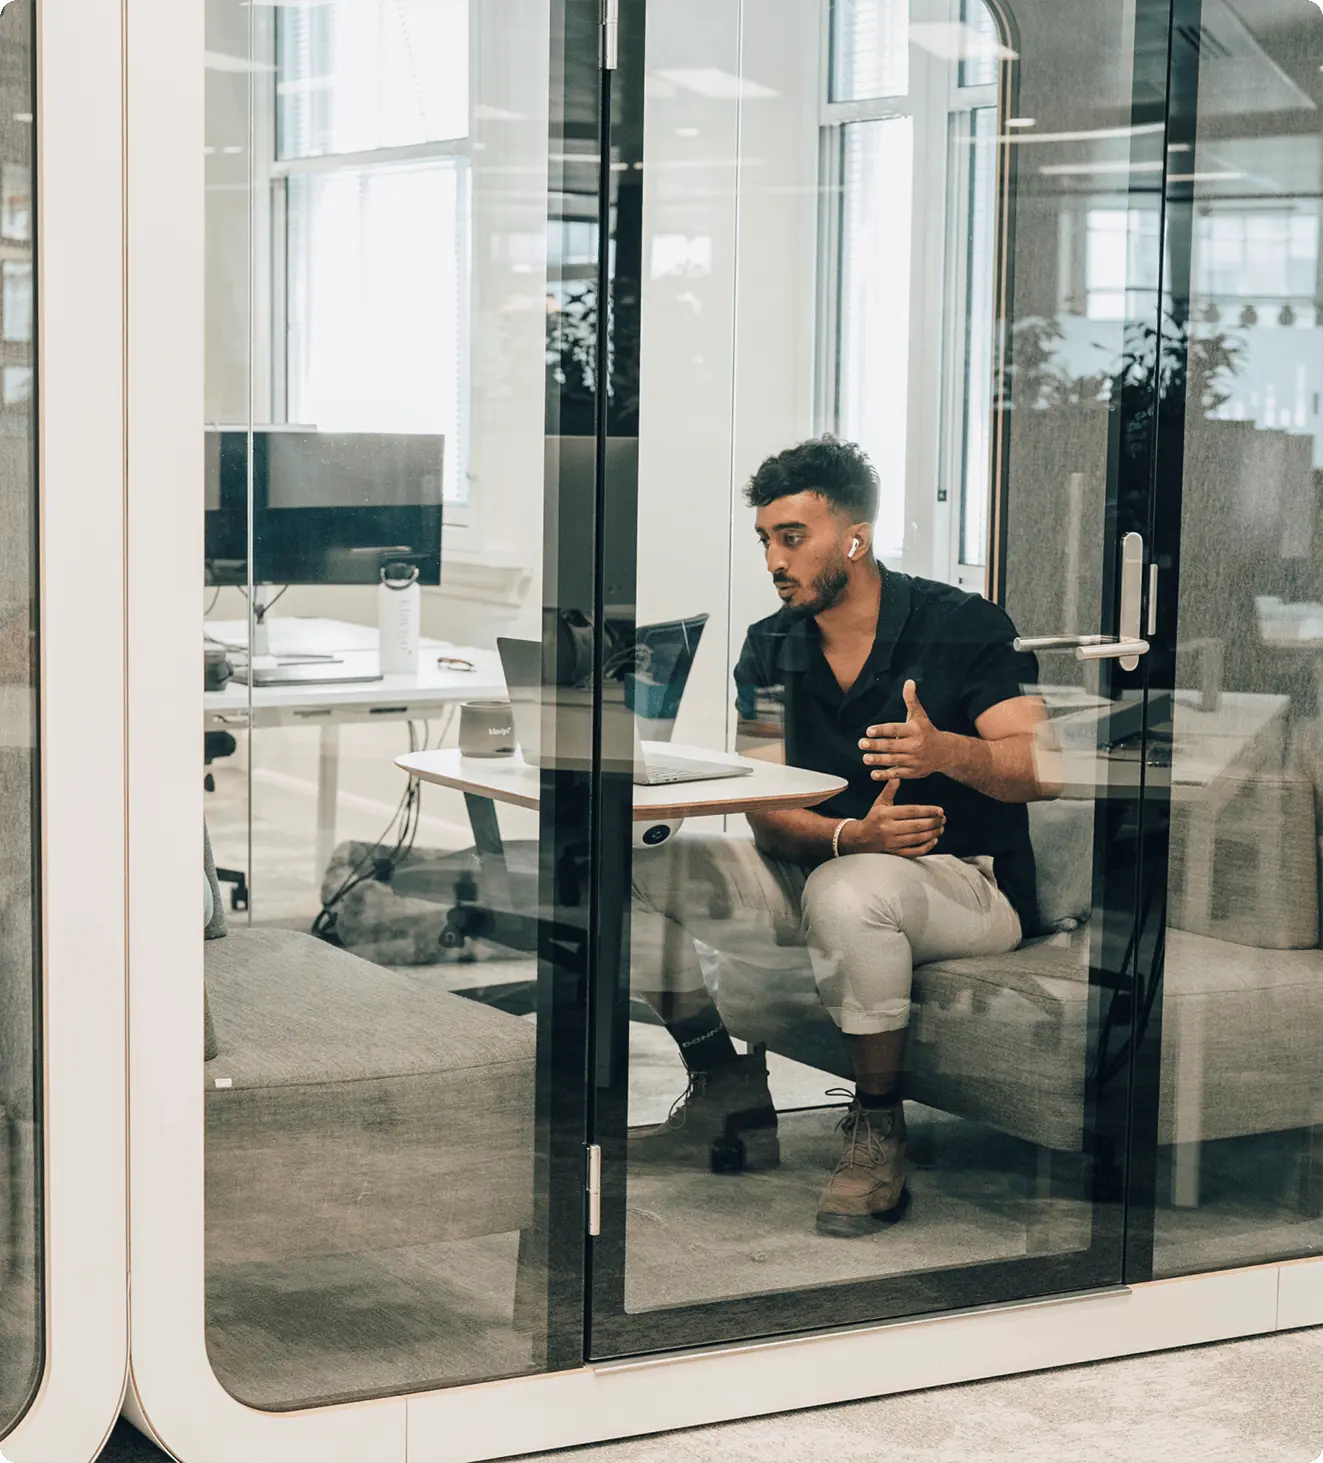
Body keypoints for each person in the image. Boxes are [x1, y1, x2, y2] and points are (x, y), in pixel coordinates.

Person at [629, 436, 1056, 1237]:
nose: (773, 559)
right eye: (764, 539)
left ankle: (877, 1128)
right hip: (831, 864)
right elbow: (767, 810)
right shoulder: (768, 647)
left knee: (848, 889)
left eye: (792, 537)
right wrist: (850, 833)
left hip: (965, 881)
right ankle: (724, 1085)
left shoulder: (961, 624)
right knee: (632, 868)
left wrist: (942, 752)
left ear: (854, 537)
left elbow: (1040, 767)